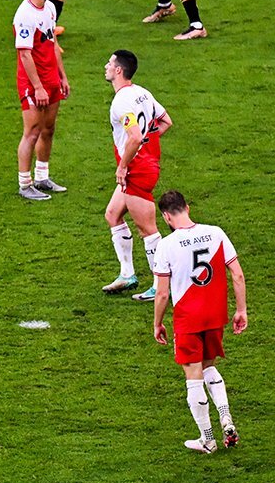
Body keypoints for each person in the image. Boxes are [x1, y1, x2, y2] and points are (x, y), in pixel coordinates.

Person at [152, 190, 247, 453]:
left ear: (166, 216)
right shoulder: (216, 232)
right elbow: (237, 275)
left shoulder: (167, 245)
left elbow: (162, 292)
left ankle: (208, 439)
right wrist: (241, 310)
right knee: (209, 367)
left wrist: (157, 322)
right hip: (215, 314)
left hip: (188, 318)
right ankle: (225, 415)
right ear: (188, 208)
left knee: (193, 377)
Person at [100, 50, 173, 300]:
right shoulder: (143, 93)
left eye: (110, 63)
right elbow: (165, 122)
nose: (106, 66)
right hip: (145, 163)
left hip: (137, 169)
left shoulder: (121, 101)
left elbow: (134, 136)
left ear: (119, 70)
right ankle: (127, 274)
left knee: (148, 230)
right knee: (112, 214)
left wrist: (124, 164)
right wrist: (146, 145)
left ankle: (160, 286)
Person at [13, 0, 70, 200]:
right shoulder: (25, 16)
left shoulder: (48, 8)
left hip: (51, 77)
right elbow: (25, 55)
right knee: (32, 131)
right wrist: (37, 87)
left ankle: (42, 176)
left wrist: (62, 76)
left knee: (49, 129)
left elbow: (52, 43)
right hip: (32, 81)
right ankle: (25, 184)